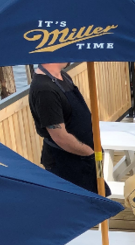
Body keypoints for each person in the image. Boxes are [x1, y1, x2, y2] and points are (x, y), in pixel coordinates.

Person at [29, 62, 108, 194]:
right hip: (68, 164)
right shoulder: (45, 90)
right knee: (80, 207)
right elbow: (60, 137)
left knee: (98, 199)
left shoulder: (63, 76)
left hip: (89, 158)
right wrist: (89, 153)